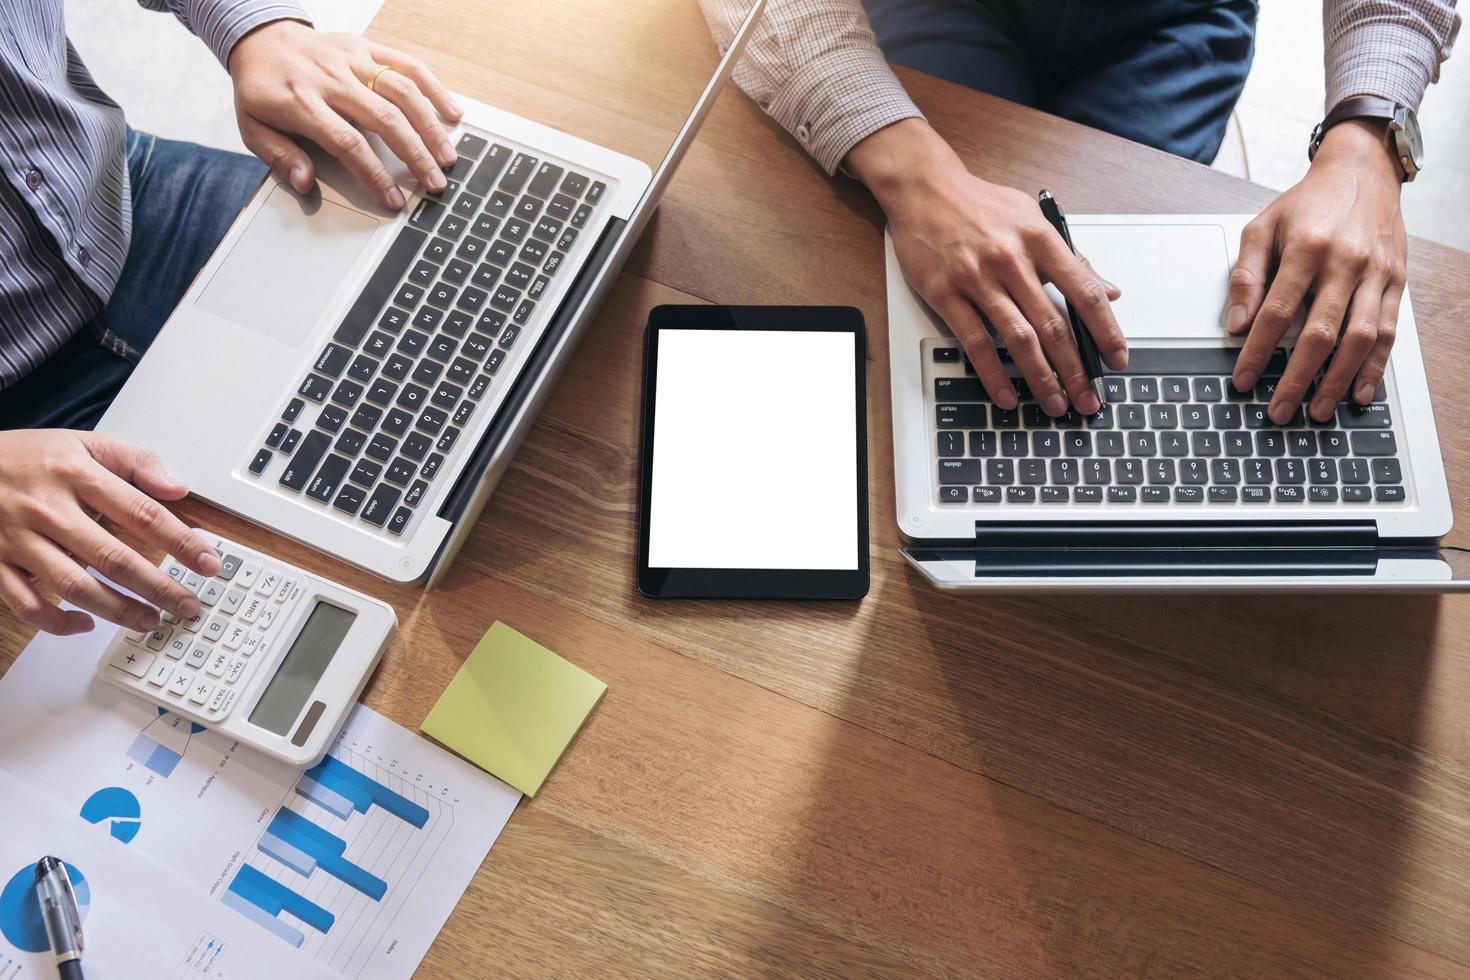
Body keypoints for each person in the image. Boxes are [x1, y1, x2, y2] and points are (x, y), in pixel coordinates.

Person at [699, 0, 1459, 419]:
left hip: (1171, 16)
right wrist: (914, 174)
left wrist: (1368, 138)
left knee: (1096, 296)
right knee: (975, 320)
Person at [0, 0, 460, 636]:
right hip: (18, 432)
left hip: (120, 199)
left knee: (440, 320)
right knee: (287, 609)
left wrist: (255, 27)